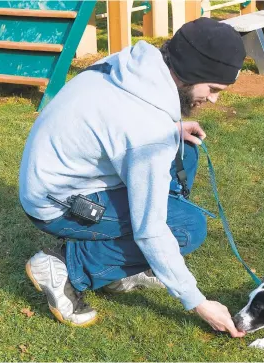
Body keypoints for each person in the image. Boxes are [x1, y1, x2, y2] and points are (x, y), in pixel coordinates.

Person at [19, 18, 246, 337]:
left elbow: (117, 125)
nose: (214, 99)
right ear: (193, 73)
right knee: (185, 227)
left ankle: (121, 265)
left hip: (55, 176)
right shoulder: (146, 129)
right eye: (214, 89)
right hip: (56, 202)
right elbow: (151, 227)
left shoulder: (135, 66)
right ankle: (67, 267)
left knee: (185, 152)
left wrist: (171, 132)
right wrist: (198, 301)